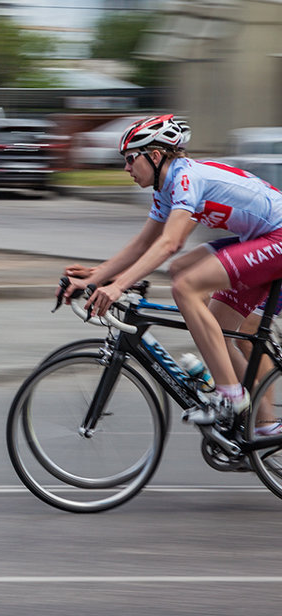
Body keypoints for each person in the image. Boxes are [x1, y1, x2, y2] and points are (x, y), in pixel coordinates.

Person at [65, 114, 282, 428]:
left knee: (186, 287)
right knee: (208, 310)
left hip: (275, 236)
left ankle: (230, 395)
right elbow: (143, 245)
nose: (125, 168)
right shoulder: (164, 189)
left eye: (130, 159)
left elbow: (171, 242)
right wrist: (96, 276)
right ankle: (259, 423)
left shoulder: (184, 178)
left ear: (154, 156)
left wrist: (119, 285)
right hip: (260, 238)